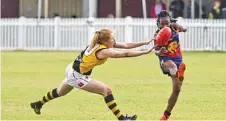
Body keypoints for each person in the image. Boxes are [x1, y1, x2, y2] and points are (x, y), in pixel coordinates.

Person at [30, 29, 156, 120]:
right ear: (106, 42)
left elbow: (126, 45)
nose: (114, 40)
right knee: (106, 90)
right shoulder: (103, 51)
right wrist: (146, 52)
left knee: (60, 92)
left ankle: (38, 104)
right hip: (76, 76)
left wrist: (145, 43)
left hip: (71, 69)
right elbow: (124, 54)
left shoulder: (99, 43)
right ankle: (121, 118)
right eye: (112, 38)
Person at [153, 11, 186, 120]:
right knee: (172, 67)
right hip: (165, 60)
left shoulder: (174, 27)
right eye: (162, 24)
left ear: (170, 22)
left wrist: (182, 28)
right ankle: (178, 72)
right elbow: (155, 51)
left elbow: (182, 28)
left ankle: (166, 115)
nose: (165, 26)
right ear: (158, 23)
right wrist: (160, 51)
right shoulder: (157, 35)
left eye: (167, 23)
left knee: (177, 90)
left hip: (178, 59)